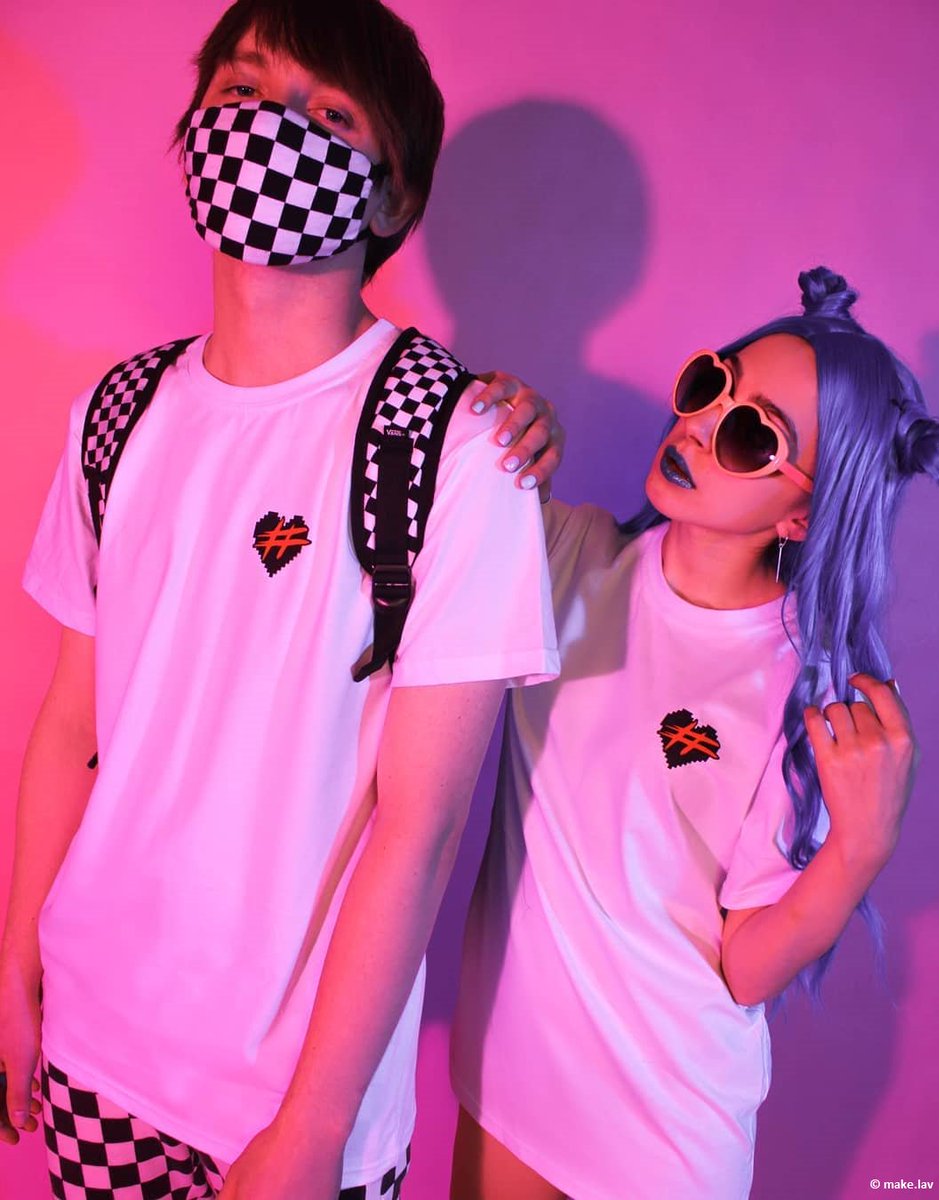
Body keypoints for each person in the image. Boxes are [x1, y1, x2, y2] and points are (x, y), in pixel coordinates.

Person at [0, 2, 563, 1198]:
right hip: (95, 1047)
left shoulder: (458, 445)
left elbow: (419, 828)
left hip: (297, 1103)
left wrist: (313, 1130)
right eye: (245, 91)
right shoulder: (117, 414)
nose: (272, 128)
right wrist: (13, 968)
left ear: (392, 195)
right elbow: (68, 728)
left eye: (329, 114)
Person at [450, 267, 939, 1200]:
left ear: (803, 511)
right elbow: (431, 502)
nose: (696, 427)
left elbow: (746, 965)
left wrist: (858, 851)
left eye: (751, 435)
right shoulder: (569, 558)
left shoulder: (802, 693)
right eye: (709, 385)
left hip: (664, 1130)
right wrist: (500, 416)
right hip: (509, 1081)